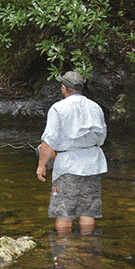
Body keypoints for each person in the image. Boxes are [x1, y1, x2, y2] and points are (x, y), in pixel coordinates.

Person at [36, 70, 107, 237]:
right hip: (92, 165)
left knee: (64, 213)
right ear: (80, 88)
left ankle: (63, 249)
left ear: (63, 88)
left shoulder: (57, 108)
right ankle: (86, 248)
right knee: (88, 212)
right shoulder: (95, 107)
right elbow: (102, 137)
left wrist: (41, 166)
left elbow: (48, 141)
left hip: (68, 167)